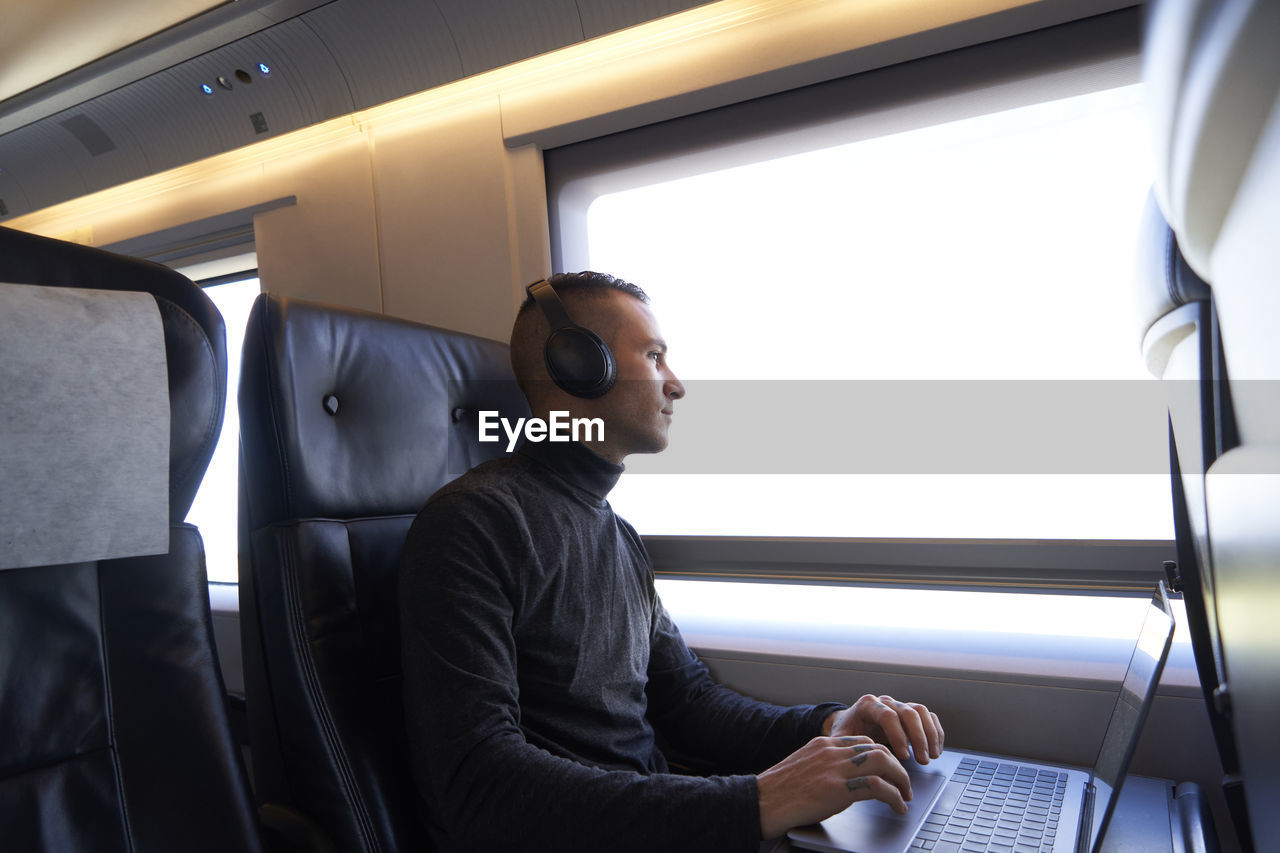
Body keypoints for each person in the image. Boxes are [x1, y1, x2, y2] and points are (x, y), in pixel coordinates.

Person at [399, 271, 944, 853]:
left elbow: (687, 702)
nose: (676, 385)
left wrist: (827, 727)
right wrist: (758, 801)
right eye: (655, 356)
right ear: (578, 363)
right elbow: (480, 787)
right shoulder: (471, 524)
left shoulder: (616, 535)